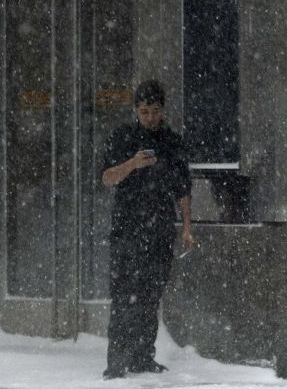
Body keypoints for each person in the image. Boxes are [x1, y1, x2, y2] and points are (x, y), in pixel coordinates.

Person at [101, 79, 194, 379]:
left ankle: (142, 356)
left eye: (155, 111)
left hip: (159, 229)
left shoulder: (172, 142)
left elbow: (183, 188)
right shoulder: (123, 137)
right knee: (124, 294)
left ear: (163, 111)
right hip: (127, 228)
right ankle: (116, 363)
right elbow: (106, 178)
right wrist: (132, 164)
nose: (150, 118)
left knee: (150, 296)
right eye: (144, 112)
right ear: (135, 111)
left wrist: (187, 227)